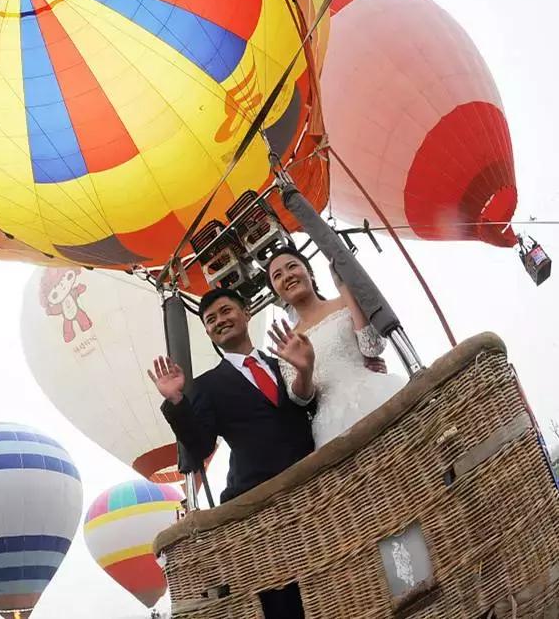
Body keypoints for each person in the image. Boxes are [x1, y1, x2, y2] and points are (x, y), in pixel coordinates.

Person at [150, 286, 316, 619]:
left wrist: (305, 370)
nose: (219, 321)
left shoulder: (283, 359)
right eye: (210, 320)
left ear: (246, 313)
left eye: (226, 311)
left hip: (309, 482)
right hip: (258, 500)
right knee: (282, 592)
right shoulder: (208, 385)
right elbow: (199, 446)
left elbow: (309, 406)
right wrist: (177, 401)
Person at [266, 246, 406, 447]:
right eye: (278, 276)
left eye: (292, 267)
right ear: (277, 293)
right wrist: (305, 369)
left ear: (310, 272)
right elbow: (300, 398)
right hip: (333, 425)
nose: (287, 276)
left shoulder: (344, 302)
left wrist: (343, 287)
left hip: (376, 394)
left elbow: (372, 346)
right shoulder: (288, 343)